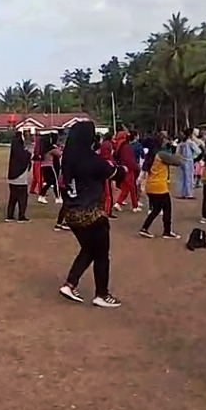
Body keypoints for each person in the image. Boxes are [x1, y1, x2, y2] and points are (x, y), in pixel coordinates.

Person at [58, 121, 126, 308]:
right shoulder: (91, 160)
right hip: (91, 215)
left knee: (89, 249)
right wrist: (123, 169)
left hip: (71, 214)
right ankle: (101, 294)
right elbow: (115, 174)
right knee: (102, 254)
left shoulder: (68, 158)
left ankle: (70, 284)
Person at [138, 136, 182, 239]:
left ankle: (145, 228)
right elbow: (177, 162)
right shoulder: (161, 154)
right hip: (159, 186)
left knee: (156, 209)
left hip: (151, 185)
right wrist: (173, 149)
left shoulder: (151, 154)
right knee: (167, 208)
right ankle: (167, 231)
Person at [5, 132, 31, 222]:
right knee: (22, 198)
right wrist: (28, 153)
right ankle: (21, 216)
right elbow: (26, 159)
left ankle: (10, 215)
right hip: (21, 178)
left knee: (13, 198)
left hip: (12, 177)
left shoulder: (13, 150)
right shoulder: (22, 151)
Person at [37, 134, 63, 204]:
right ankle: (57, 197)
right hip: (50, 166)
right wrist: (58, 148)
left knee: (49, 182)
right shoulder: (51, 149)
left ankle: (41, 196)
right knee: (55, 182)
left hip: (43, 166)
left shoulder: (43, 149)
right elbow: (59, 154)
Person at [176, 128, 199, 199]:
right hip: (189, 161)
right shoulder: (191, 143)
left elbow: (177, 153)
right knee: (189, 177)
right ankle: (188, 194)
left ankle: (182, 193)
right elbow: (198, 151)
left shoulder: (181, 143)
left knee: (182, 177)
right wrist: (194, 157)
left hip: (182, 161)